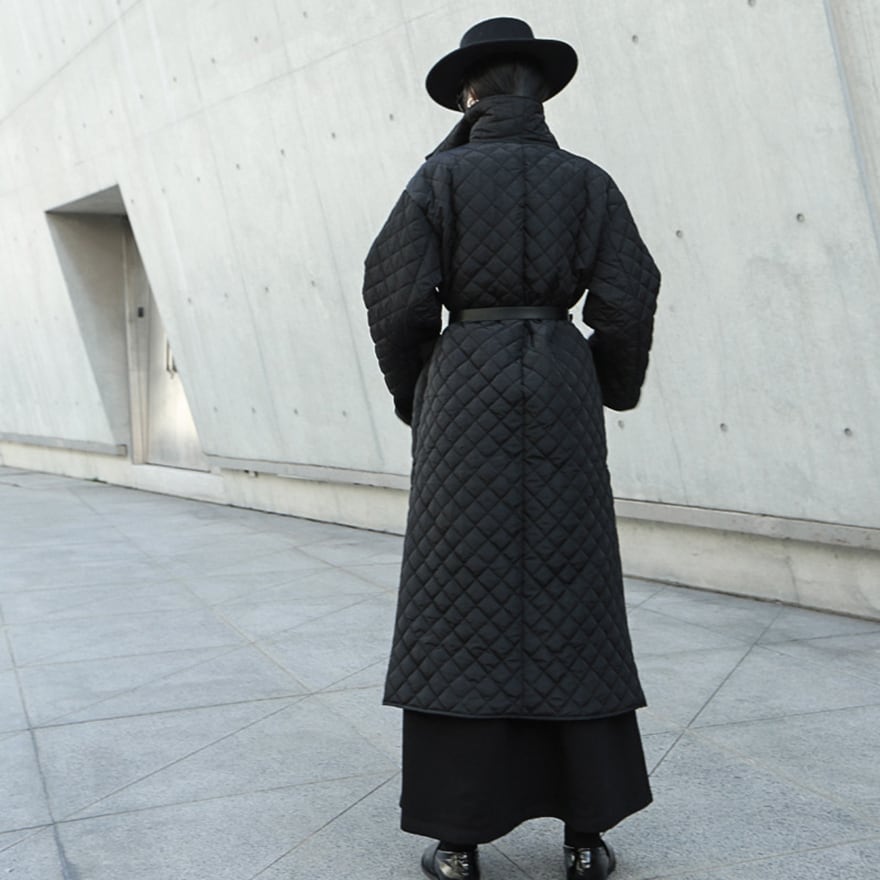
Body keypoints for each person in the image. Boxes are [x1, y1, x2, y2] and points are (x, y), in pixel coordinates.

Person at [362, 17, 661, 880]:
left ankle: (459, 840)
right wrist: (607, 381)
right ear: (540, 93)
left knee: (457, 596)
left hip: (465, 384)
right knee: (576, 594)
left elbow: (397, 298)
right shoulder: (588, 181)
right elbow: (629, 295)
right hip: (561, 380)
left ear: (468, 93)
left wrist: (417, 390)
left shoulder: (437, 179)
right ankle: (586, 837)